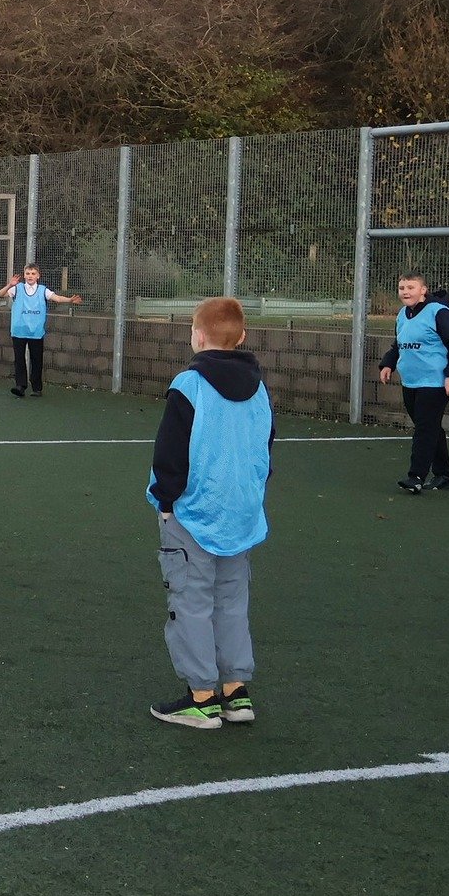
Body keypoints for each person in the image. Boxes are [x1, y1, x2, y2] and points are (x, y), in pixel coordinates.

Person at [146, 296, 273, 729]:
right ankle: (237, 692)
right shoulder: (260, 387)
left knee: (191, 600)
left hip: (195, 513)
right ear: (242, 338)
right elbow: (264, 449)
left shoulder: (189, 385)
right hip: (241, 513)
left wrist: (165, 499)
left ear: (198, 337)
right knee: (233, 601)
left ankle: (201, 696)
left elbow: (171, 451)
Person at [376, 272, 449, 493]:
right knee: (429, 427)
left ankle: (416, 477)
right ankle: (444, 474)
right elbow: (398, 344)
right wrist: (387, 364)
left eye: (411, 287)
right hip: (411, 382)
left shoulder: (439, 313)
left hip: (435, 383)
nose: (405, 292)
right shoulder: (402, 314)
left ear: (423, 290)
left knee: (424, 429)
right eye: (401, 288)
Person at [0, 264, 81, 397]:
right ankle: (20, 386)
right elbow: (0, 295)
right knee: (19, 359)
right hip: (19, 330)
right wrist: (9, 285)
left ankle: (37, 388)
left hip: (36, 332)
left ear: (38, 276)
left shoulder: (43, 290)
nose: (30, 276)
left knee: (37, 359)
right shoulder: (17, 288)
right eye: (28, 273)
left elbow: (57, 298)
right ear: (24, 275)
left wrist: (70, 300)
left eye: (33, 273)